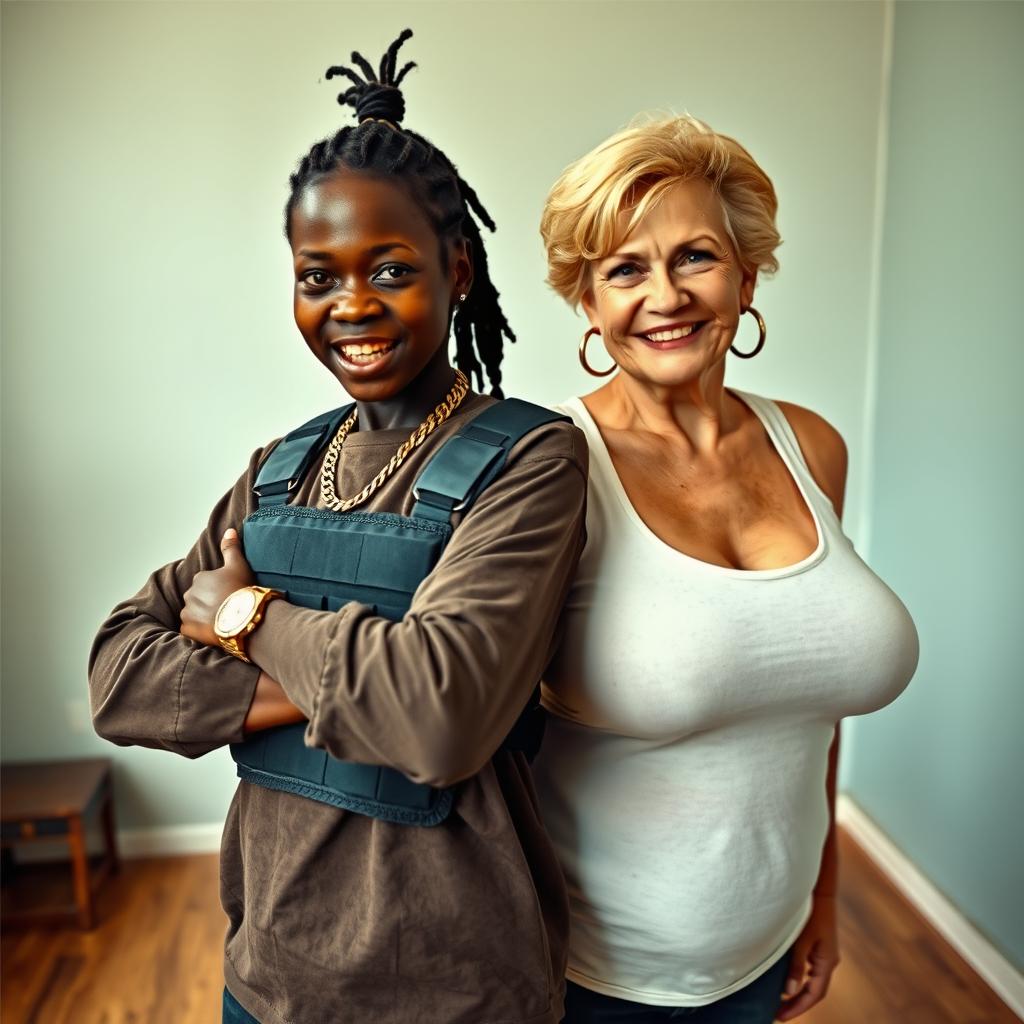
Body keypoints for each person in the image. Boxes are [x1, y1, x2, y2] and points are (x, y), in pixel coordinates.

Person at [89, 31, 587, 1024]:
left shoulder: (530, 459)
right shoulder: (280, 466)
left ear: (457, 269)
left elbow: (438, 718)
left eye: (389, 269)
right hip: (267, 978)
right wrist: (367, 674)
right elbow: (116, 676)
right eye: (318, 276)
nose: (350, 305)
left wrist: (244, 614)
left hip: (463, 989)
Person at [533, 115, 919, 1023]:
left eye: (694, 257)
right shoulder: (548, 464)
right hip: (584, 976)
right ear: (588, 305)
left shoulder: (811, 445)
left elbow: (811, 707)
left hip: (767, 953)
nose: (664, 296)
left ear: (746, 277)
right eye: (625, 269)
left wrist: (822, 899)